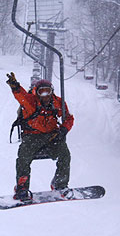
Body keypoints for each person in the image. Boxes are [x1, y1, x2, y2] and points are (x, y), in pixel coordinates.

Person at [6, 72, 74, 201]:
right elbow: (21, 96)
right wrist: (15, 86)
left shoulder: (57, 102)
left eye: (47, 92)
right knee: (23, 157)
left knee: (65, 153)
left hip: (51, 136)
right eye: (41, 92)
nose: (45, 96)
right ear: (36, 92)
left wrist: (64, 129)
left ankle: (60, 184)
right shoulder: (31, 102)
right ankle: (22, 187)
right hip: (32, 137)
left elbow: (69, 118)